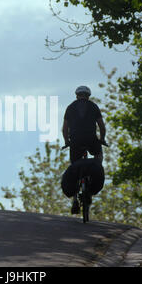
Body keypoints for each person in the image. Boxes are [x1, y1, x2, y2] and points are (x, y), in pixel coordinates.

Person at [62, 86, 107, 214]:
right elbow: (102, 127)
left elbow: (64, 129)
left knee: (74, 165)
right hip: (91, 139)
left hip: (75, 141)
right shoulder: (93, 106)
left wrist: (67, 142)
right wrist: (102, 139)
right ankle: (90, 189)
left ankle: (75, 199)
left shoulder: (70, 107)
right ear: (88, 96)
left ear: (77, 96)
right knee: (98, 157)